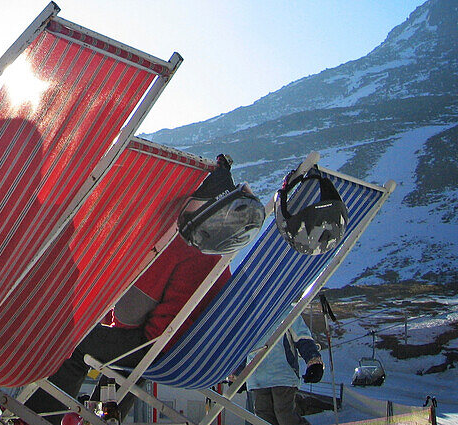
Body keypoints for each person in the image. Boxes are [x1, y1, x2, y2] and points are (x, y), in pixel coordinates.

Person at [29, 157, 264, 424]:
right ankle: (102, 417)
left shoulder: (176, 241)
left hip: (166, 352)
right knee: (125, 356)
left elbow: (129, 313)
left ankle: (34, 418)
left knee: (80, 343)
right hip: (207, 358)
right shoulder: (219, 250)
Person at [245, 316, 324, 425]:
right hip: (259, 376)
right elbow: (243, 346)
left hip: (282, 373)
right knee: (264, 418)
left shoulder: (286, 312)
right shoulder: (250, 314)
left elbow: (302, 338)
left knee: (285, 416)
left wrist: (313, 360)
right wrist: (237, 373)